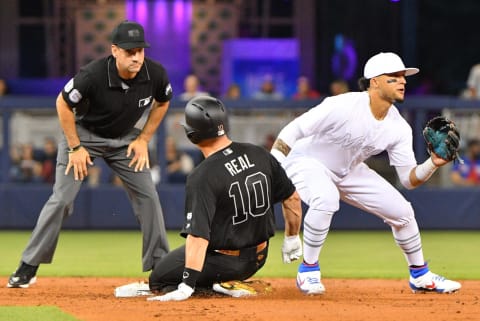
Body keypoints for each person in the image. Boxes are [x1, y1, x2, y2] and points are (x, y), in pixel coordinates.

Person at [270, 52, 461, 295]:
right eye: (394, 76)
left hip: (348, 170)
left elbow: (408, 179)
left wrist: (433, 163)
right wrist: (275, 164)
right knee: (326, 199)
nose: (402, 81)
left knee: (403, 213)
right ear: (374, 82)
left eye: (404, 76)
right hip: (307, 161)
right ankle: (308, 270)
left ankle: (420, 275)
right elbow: (294, 129)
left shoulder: (399, 127)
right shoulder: (343, 105)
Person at [7, 20, 172, 288]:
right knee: (62, 199)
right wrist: (74, 147)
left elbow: (163, 102)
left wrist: (144, 139)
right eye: (130, 51)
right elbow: (62, 103)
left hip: (125, 140)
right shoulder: (93, 74)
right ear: (115, 50)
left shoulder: (155, 74)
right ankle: (28, 266)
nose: (136, 57)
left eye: (140, 50)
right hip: (85, 135)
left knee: (149, 196)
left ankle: (161, 269)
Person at [115, 96, 303, 301]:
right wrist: (292, 238)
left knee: (159, 278)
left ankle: (222, 287)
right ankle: (226, 281)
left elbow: (198, 236)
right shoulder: (259, 153)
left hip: (227, 261)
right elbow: (292, 198)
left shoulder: (203, 175)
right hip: (259, 256)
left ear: (192, 134)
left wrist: (187, 284)